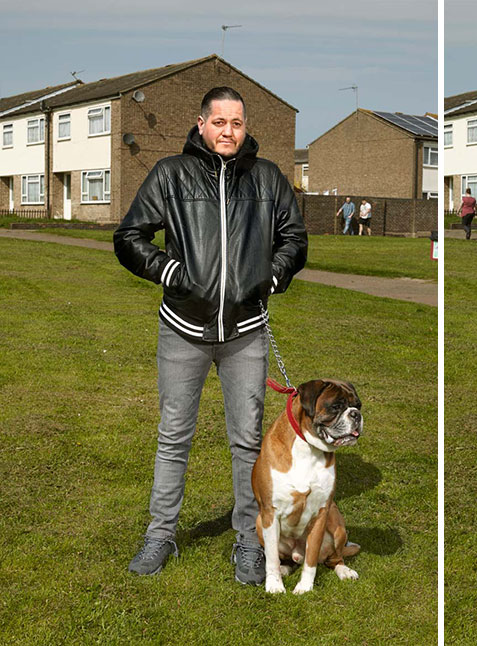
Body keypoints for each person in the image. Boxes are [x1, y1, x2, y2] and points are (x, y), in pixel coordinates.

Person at [114, 87, 308, 585]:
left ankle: (250, 542)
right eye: (219, 122)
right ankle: (161, 534)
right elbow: (129, 237)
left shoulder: (266, 178)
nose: (228, 131)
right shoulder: (170, 174)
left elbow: (294, 238)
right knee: (173, 437)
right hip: (182, 331)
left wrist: (271, 276)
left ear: (246, 127)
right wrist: (173, 272)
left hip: (245, 333)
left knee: (248, 443)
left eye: (237, 123)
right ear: (201, 123)